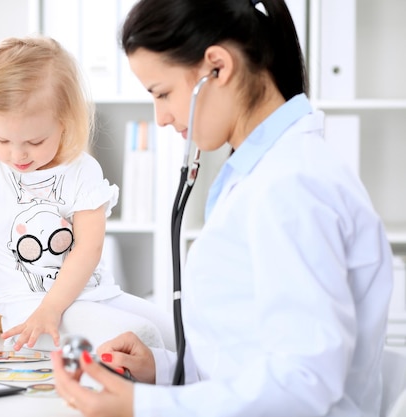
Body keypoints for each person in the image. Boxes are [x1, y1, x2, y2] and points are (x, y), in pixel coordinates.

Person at [50, 0, 394, 416]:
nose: (160, 117)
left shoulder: (292, 187)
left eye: (163, 93)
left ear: (217, 67)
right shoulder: (265, 173)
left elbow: (304, 384)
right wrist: (162, 369)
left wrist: (145, 407)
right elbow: (250, 358)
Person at [0, 35, 174, 358]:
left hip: (92, 296)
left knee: (175, 333)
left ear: (64, 121)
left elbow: (88, 248)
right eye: (2, 139)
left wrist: (54, 306)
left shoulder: (82, 171)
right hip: (31, 313)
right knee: (142, 336)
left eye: (35, 141)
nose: (18, 154)